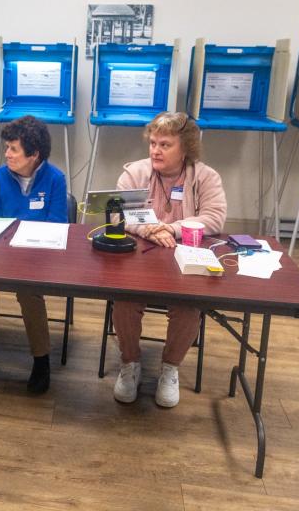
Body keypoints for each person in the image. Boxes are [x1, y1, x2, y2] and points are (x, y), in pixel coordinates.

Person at [111, 112, 226, 408]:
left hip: (183, 258)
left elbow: (215, 217)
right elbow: (117, 214)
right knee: (124, 299)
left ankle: (170, 368)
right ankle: (130, 364)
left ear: (185, 148)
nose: (155, 151)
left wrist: (172, 228)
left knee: (189, 303)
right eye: (152, 143)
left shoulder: (206, 177)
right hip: (138, 259)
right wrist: (147, 230)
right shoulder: (134, 173)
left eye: (165, 144)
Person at [0, 115, 67, 394]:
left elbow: (56, 226)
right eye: (7, 147)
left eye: (13, 149)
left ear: (34, 154)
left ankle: (41, 360)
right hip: (2, 253)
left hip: (37, 257)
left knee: (29, 291)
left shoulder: (55, 179)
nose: (7, 154)